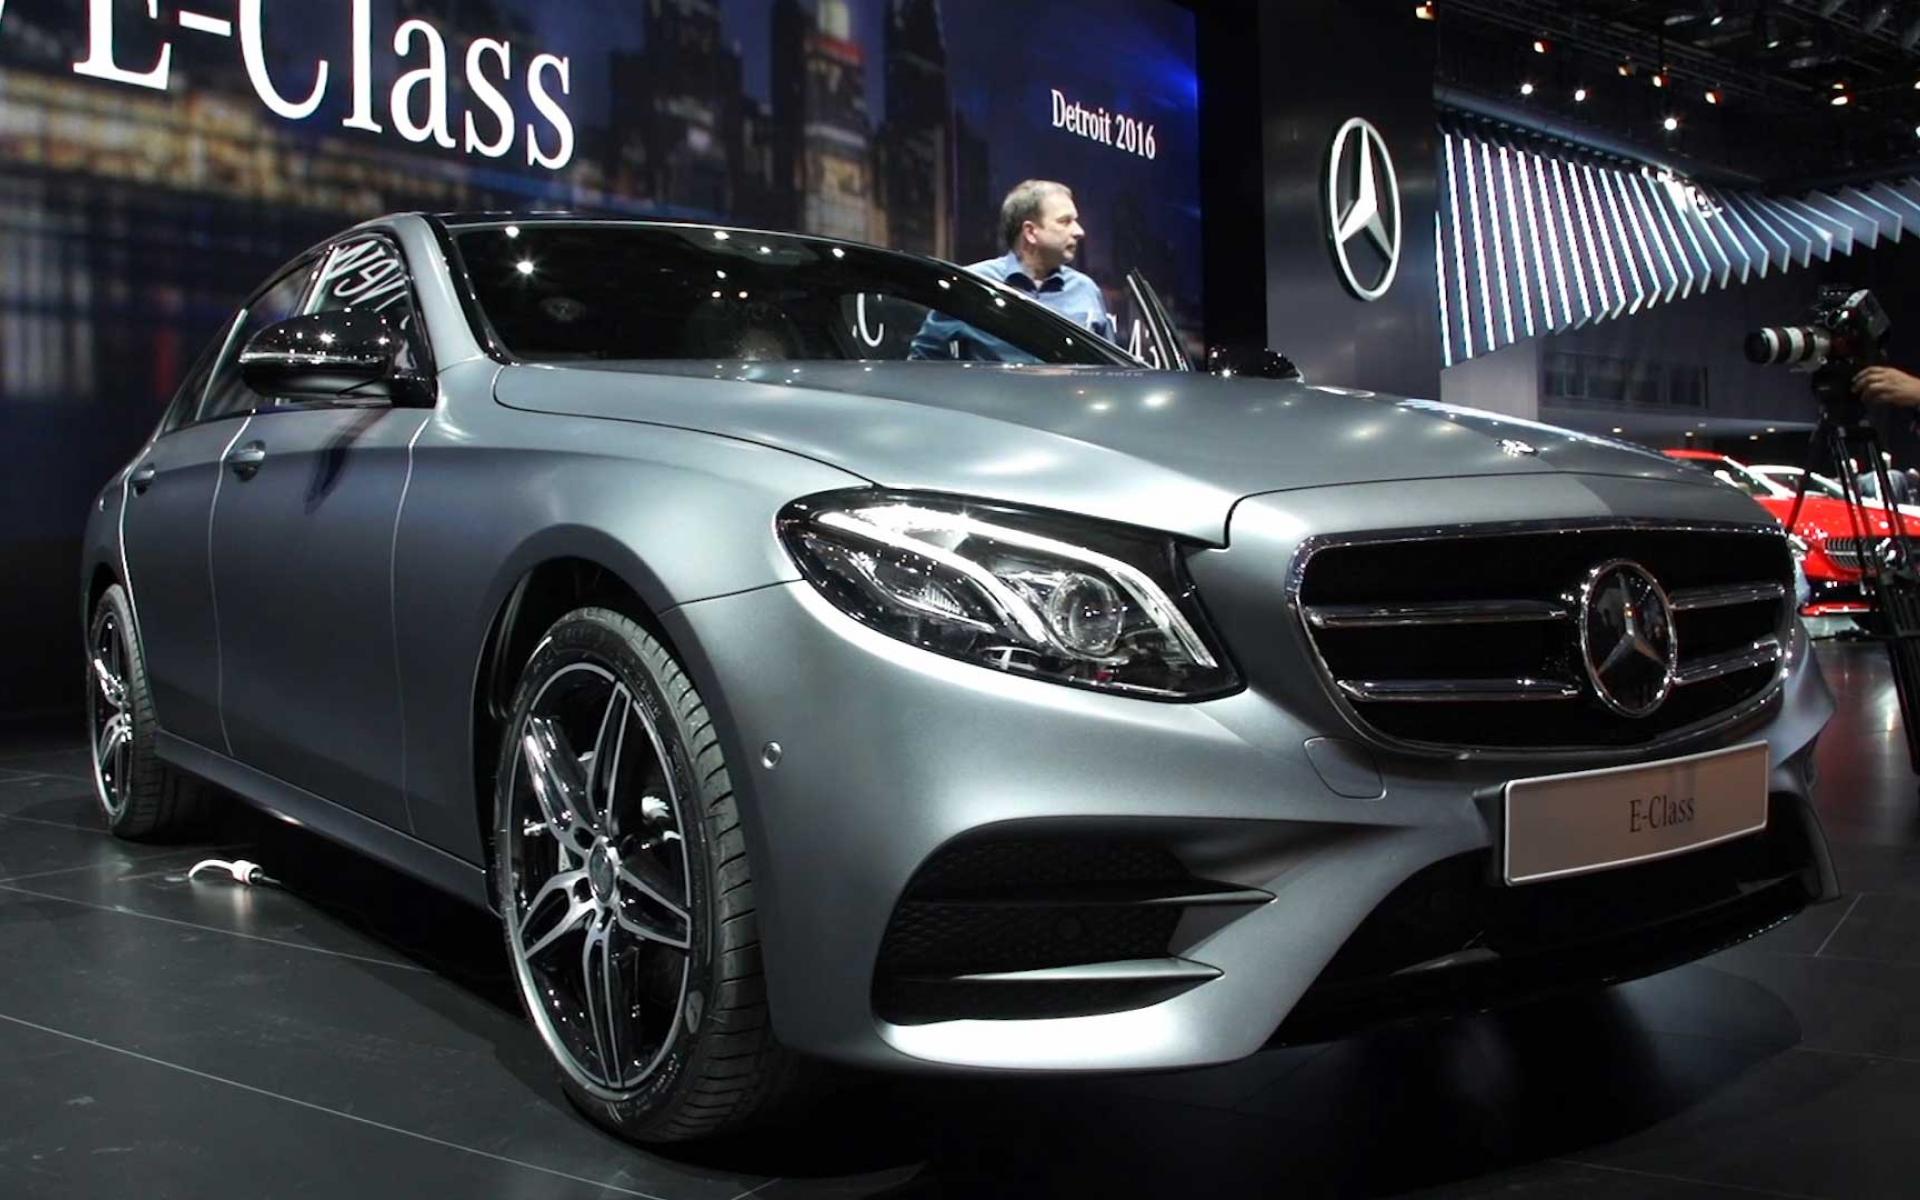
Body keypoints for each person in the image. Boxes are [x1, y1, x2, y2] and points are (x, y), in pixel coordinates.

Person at [909, 180, 1114, 360]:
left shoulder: (1086, 290)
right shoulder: (970, 286)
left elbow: (1111, 372)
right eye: (1065, 221)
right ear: (1030, 232)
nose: (1079, 231)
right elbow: (923, 361)